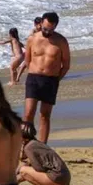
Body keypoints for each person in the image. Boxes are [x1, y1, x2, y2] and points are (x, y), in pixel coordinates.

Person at [23, 12, 70, 144]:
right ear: (40, 24)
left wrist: (56, 79)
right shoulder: (32, 39)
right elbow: (27, 60)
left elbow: (66, 65)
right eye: (44, 28)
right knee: (28, 113)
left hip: (51, 80)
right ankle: (26, 143)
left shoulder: (61, 41)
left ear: (55, 27)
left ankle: (42, 145)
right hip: (33, 78)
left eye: (50, 29)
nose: (46, 32)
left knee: (45, 115)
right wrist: (34, 71)